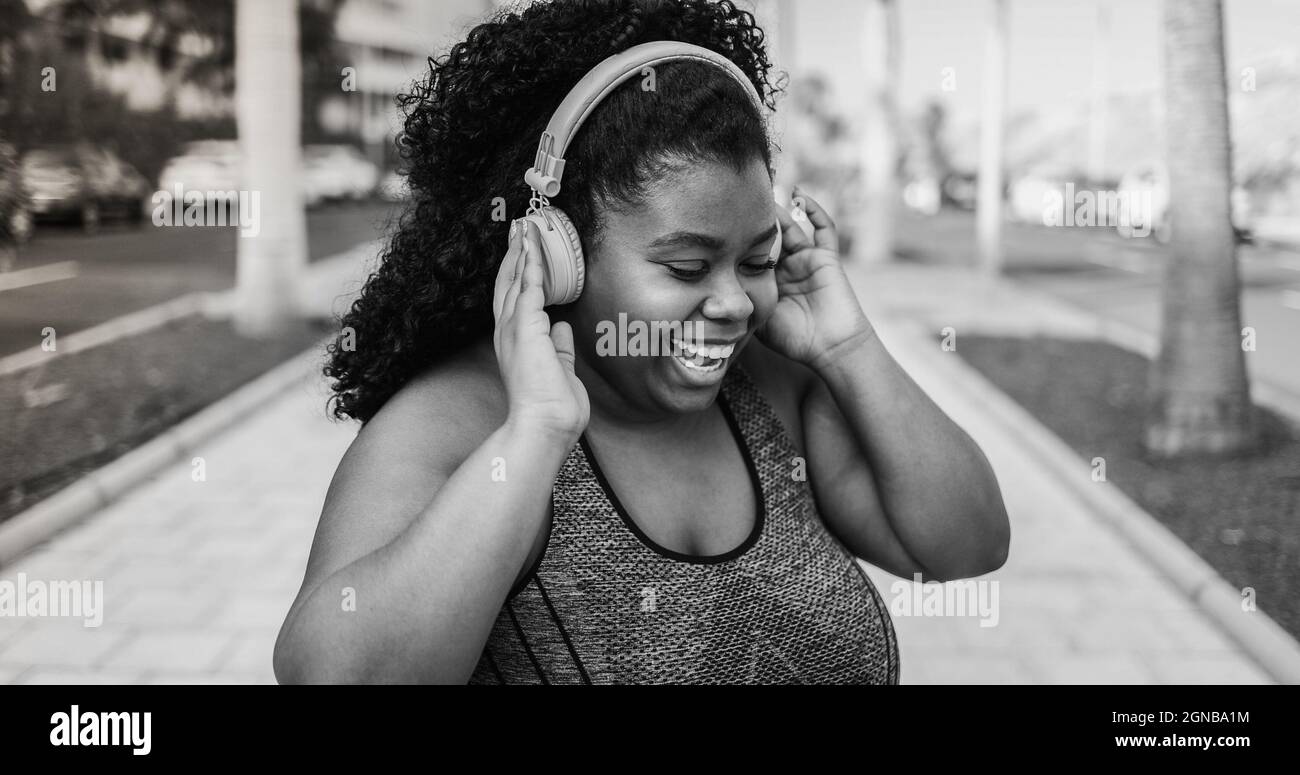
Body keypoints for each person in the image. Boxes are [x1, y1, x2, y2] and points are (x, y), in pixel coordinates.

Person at [273, 0, 1009, 685]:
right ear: (559, 254)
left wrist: (847, 348)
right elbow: (333, 672)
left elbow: (966, 546)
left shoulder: (777, 390)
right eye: (687, 266)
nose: (731, 303)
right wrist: (533, 436)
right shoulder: (459, 426)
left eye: (755, 260)